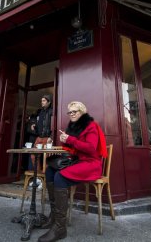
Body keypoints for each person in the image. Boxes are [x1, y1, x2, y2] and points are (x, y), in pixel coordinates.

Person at [38, 101, 107, 242]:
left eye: (74, 111)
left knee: (60, 177)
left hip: (90, 164)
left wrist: (70, 139)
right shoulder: (73, 127)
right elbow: (72, 147)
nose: (72, 114)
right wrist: (66, 140)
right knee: (50, 170)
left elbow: (91, 148)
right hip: (78, 161)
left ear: (82, 111)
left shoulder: (90, 126)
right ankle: (54, 216)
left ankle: (60, 228)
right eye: (69, 112)